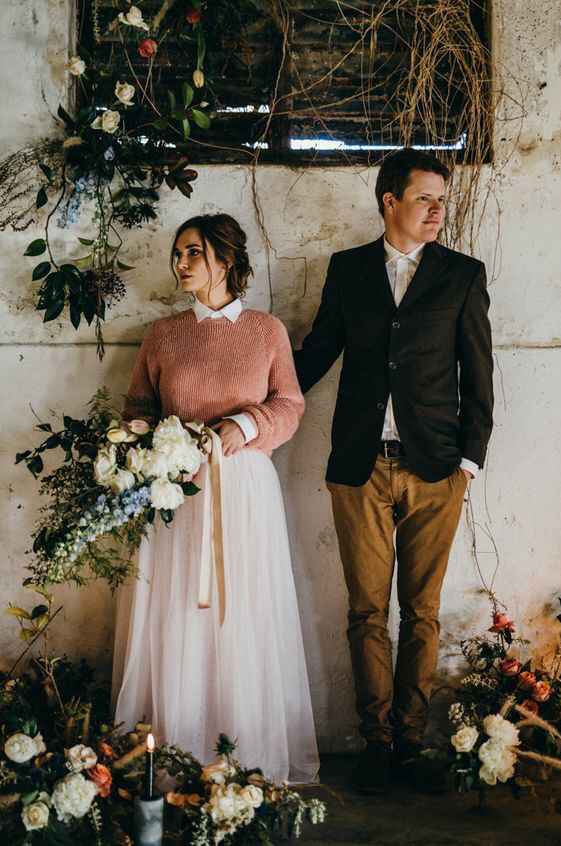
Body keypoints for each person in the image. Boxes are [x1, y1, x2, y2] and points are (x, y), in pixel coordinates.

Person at [294, 148, 493, 793]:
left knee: (423, 611)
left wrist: (470, 457)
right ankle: (376, 743)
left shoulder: (462, 275)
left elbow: (479, 371)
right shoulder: (348, 271)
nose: (437, 210)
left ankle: (412, 741)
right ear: (390, 202)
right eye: (425, 199)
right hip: (358, 466)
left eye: (442, 199)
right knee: (366, 611)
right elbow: (318, 353)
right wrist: (257, 400)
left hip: (437, 467)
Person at [112, 213, 319, 784]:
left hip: (245, 490)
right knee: (179, 613)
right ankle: (178, 745)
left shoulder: (266, 330)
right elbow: (137, 407)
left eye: (192, 253)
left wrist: (245, 427)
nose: (180, 263)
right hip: (178, 491)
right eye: (178, 253)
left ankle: (243, 750)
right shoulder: (163, 334)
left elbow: (290, 404)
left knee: (242, 613)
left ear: (225, 261)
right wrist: (144, 442)